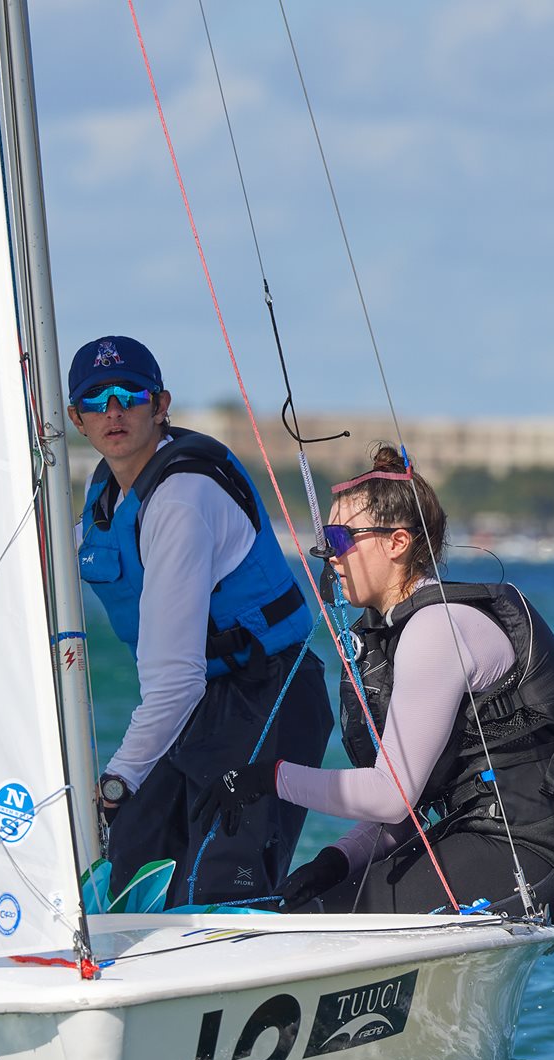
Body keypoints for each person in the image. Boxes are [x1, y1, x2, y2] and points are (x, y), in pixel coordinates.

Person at [197, 445, 554, 921]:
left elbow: (390, 794)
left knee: (308, 927)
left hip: (525, 851)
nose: (328, 556)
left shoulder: (435, 630)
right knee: (295, 911)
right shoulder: (401, 633)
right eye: (325, 541)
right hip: (476, 835)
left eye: (340, 539)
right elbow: (407, 806)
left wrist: (268, 778)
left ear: (397, 543)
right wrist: (334, 862)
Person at [70, 334, 333, 907]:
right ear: (76, 419)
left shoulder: (181, 499)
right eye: (95, 400)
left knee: (212, 890)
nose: (113, 412)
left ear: (160, 405)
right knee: (130, 873)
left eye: (129, 395)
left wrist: (117, 780)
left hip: (266, 693)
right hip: (200, 703)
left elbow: (175, 680)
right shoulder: (104, 494)